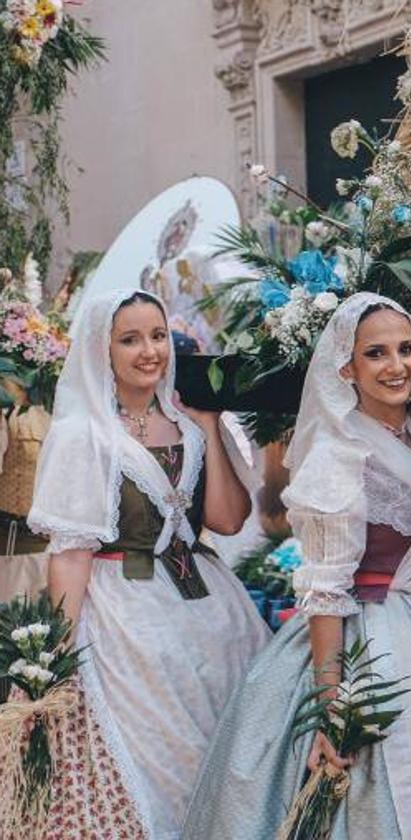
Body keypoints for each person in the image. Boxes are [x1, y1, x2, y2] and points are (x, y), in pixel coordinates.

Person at [183, 292, 411, 839]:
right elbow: (324, 588)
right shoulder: (337, 451)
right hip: (371, 632)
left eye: (406, 350)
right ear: (346, 366)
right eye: (377, 354)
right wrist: (332, 707)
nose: (397, 366)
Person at [23, 288, 269, 839]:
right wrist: (58, 657)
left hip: (210, 612)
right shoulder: (84, 436)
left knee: (221, 746)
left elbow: (228, 522)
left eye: (157, 336)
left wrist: (208, 427)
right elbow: (71, 553)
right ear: (102, 349)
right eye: (129, 339)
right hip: (124, 617)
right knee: (151, 754)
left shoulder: (190, 429)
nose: (148, 351)